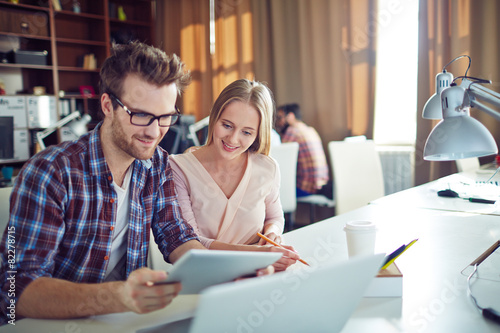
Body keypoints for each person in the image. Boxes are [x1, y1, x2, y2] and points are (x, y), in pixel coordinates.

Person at [0, 42, 213, 325]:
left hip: (119, 321)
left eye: (164, 117)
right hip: (48, 325)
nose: (154, 131)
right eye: (141, 115)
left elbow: (175, 234)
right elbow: (16, 291)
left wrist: (220, 274)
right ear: (107, 105)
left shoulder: (158, 163)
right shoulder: (51, 172)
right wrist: (119, 296)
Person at [170, 79, 300, 271]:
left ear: (257, 135)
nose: (233, 139)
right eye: (227, 125)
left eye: (247, 132)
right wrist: (255, 254)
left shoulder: (267, 168)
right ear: (214, 118)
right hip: (204, 274)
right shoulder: (179, 168)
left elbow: (274, 218)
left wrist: (272, 234)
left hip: (255, 272)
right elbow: (190, 242)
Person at [276, 103, 331, 198]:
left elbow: (280, 162)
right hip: (321, 185)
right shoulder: (310, 130)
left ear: (290, 116)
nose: (278, 122)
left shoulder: (292, 131)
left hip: (307, 187)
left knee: (271, 193)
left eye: (280, 117)